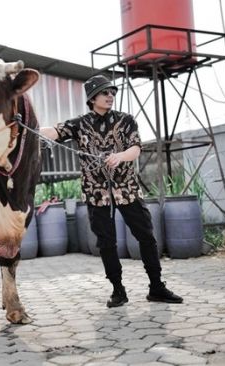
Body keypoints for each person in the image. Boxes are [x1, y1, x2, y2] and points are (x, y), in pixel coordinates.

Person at [40, 75, 183, 307]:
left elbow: (136, 148)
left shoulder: (126, 120)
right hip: (96, 193)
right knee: (106, 243)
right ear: (92, 98)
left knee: (146, 236)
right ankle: (118, 291)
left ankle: (156, 287)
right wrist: (26, 125)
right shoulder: (80, 123)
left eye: (112, 92)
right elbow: (55, 132)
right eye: (105, 92)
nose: (110, 96)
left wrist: (120, 156)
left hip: (127, 189)